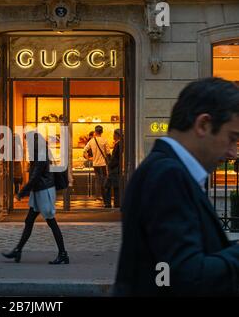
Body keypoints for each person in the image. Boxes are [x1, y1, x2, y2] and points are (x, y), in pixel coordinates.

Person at [114, 77, 239, 296]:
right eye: (232, 138)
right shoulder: (167, 175)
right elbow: (183, 276)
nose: (233, 153)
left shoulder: (166, 170)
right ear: (203, 125)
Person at [2, 132, 69, 265]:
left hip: (44, 191)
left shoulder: (41, 154)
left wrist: (22, 192)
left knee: (51, 222)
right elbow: (35, 176)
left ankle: (63, 254)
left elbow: (35, 176)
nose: (27, 144)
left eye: (28, 142)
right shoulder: (39, 153)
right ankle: (18, 250)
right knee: (29, 220)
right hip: (39, 191)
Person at [83, 125, 110, 207]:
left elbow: (84, 150)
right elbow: (108, 153)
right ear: (102, 132)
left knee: (97, 180)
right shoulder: (104, 140)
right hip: (103, 164)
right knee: (104, 180)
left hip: (95, 164)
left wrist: (88, 158)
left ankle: (97, 196)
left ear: (95, 132)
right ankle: (104, 196)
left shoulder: (92, 141)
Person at [105, 129, 122, 208]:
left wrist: (110, 164)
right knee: (116, 187)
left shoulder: (118, 144)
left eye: (114, 134)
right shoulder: (120, 144)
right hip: (117, 168)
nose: (113, 136)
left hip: (114, 169)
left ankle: (108, 203)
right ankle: (116, 203)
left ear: (117, 135)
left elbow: (115, 158)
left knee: (108, 186)